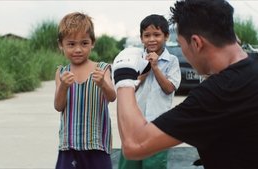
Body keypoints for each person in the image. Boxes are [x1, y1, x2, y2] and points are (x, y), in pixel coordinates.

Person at [112, 0, 258, 168]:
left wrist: (123, 78)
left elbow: (134, 145)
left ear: (196, 43)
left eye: (181, 45)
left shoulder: (217, 94)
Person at [118, 14, 181, 169]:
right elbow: (129, 88)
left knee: (154, 164)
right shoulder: (134, 59)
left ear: (166, 36)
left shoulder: (172, 61)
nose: (151, 39)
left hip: (158, 125)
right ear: (141, 38)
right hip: (134, 123)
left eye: (156, 35)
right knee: (129, 164)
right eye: (147, 35)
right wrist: (144, 70)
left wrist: (155, 67)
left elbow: (169, 89)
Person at [54, 12, 116, 169]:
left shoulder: (102, 69)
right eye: (71, 44)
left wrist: (102, 83)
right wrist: (63, 87)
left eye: (84, 43)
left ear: (92, 43)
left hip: (97, 144)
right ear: (61, 45)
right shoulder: (62, 73)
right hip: (70, 145)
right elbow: (58, 106)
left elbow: (112, 96)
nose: (78, 49)